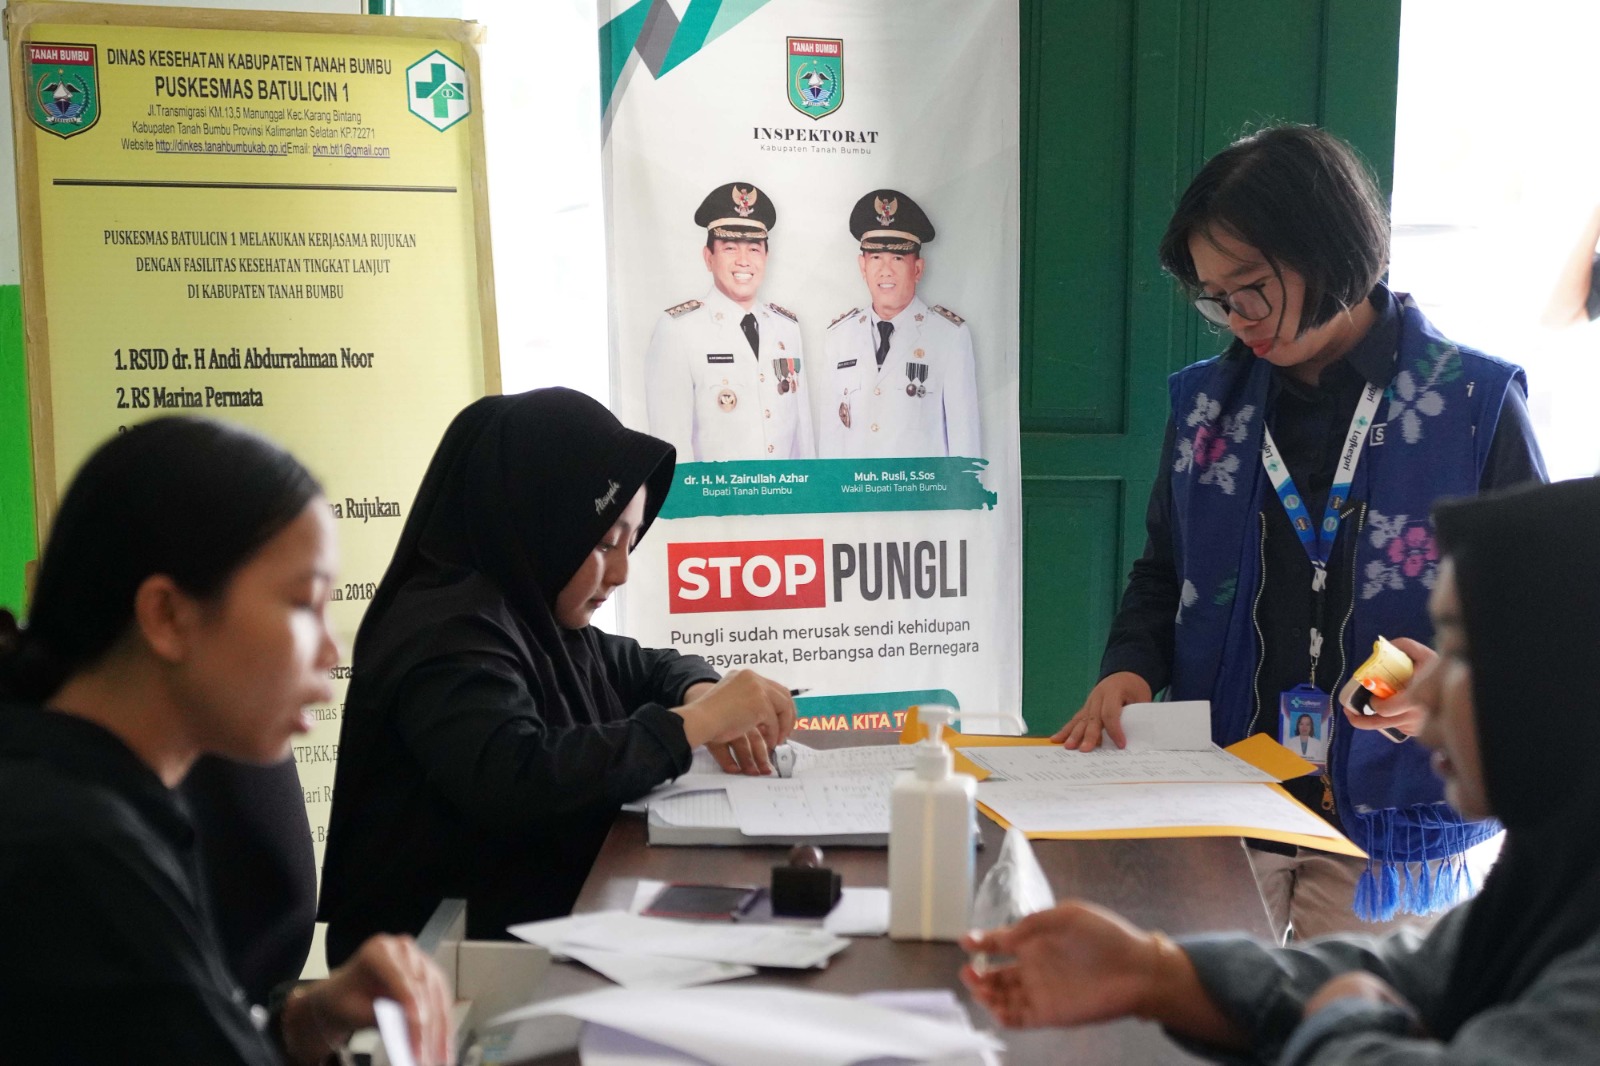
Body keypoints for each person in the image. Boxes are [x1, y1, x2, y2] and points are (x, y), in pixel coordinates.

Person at [1054, 125, 1547, 942]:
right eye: (1215, 296)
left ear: (1331, 250)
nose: (1234, 316)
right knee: (1205, 1008)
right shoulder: (1205, 408)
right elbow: (1163, 573)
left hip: (1391, 827)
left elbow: (1538, 623)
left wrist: (1449, 685)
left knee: (1356, 1014)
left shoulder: (1474, 404)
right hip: (1223, 796)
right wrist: (1130, 670)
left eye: (1250, 287)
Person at [966, 476, 1600, 1064]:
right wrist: (1151, 971)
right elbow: (1407, 976)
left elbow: (1375, 1002)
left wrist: (1345, 1014)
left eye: (1457, 652)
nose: (1424, 690)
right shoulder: (1554, 874)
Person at [0, 417, 452, 1066]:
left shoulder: (92, 800)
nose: (330, 650)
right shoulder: (79, 855)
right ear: (167, 615)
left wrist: (305, 1023)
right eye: (304, 603)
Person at [319, 389, 796, 964]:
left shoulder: (534, 611)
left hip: (524, 931)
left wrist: (701, 690)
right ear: (538, 519)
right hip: (436, 972)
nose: (621, 571)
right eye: (605, 542)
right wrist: (695, 723)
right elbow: (517, 774)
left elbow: (648, 666)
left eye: (631, 541)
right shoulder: (446, 631)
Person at [644, 181, 815, 460]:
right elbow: (671, 451)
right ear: (708, 257)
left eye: (754, 249)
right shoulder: (678, 330)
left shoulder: (787, 328)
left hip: (783, 489)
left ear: (767, 256)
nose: (743, 261)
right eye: (730, 248)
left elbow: (802, 442)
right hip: (717, 490)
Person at [817, 188, 981, 458]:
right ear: (862, 266)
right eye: (876, 258)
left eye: (897, 258)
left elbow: (964, 445)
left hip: (917, 487)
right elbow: (831, 441)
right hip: (855, 486)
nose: (886, 270)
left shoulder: (948, 337)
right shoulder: (839, 337)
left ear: (917, 269)